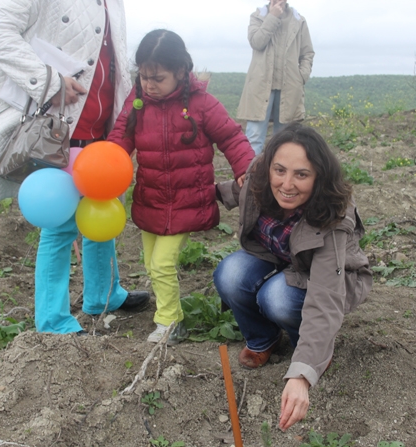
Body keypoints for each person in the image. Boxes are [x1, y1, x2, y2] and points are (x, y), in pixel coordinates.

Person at [0, 0, 150, 334]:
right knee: (60, 227)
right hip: (58, 135)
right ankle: (53, 321)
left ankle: (105, 294)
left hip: (103, 135)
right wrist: (48, 81)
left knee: (102, 214)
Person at [213, 123, 372, 430]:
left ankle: (309, 354)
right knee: (230, 273)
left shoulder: (333, 216)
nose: (287, 184)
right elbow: (235, 190)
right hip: (281, 258)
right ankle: (264, 339)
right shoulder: (259, 179)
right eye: (280, 170)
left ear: (319, 177)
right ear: (268, 166)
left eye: (302, 174)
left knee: (277, 298)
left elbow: (326, 297)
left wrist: (300, 377)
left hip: (326, 279)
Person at [107, 29, 255, 345]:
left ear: (180, 72)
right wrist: (106, 168)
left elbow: (231, 137)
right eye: (144, 76)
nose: (148, 84)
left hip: (188, 200)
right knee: (151, 263)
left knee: (161, 263)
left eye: (157, 78)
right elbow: (120, 140)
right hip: (150, 199)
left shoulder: (202, 105)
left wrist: (245, 168)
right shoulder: (137, 103)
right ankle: (168, 311)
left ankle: (171, 323)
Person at [237, 0, 315, 155]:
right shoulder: (258, 16)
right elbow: (256, 42)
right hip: (260, 87)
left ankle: (278, 176)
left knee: (284, 140)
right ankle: (251, 178)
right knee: (254, 138)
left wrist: (301, 77)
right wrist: (272, 16)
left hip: (290, 88)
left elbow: (307, 53)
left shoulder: (299, 20)